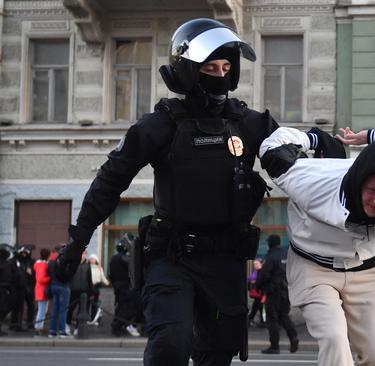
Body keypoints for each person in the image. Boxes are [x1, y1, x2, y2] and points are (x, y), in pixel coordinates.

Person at [54, 18, 278, 365]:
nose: (219, 75)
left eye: (226, 67)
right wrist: (77, 242)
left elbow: (296, 162)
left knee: (218, 352)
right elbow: (110, 180)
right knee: (170, 345)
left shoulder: (248, 123)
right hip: (173, 257)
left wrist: (335, 152)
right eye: (209, 67)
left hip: (226, 259)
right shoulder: (159, 125)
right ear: (188, 70)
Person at [259, 125, 375, 366]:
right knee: (335, 340)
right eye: (372, 191)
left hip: (368, 271)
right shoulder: (311, 181)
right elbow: (271, 147)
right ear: (358, 184)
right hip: (314, 269)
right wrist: (313, 138)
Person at [256, 235, 298, 354]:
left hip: (274, 291)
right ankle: (293, 336)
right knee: (284, 315)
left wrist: (258, 285)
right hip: (286, 290)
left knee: (272, 318)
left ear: (271, 243)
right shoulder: (286, 255)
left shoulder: (271, 256)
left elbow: (265, 274)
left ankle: (274, 346)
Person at [109, 234, 139, 337]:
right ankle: (117, 325)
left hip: (117, 286)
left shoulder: (113, 258)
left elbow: (111, 275)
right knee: (125, 308)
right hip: (124, 286)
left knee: (120, 306)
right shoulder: (124, 259)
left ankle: (118, 326)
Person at [10, 244, 35, 331]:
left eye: (26, 253)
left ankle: (29, 323)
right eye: (23, 253)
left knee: (30, 306)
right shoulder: (15, 261)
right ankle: (15, 323)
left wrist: (31, 274)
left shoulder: (31, 261)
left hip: (28, 286)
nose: (24, 255)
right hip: (18, 287)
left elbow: (34, 275)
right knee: (17, 306)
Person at [47, 245, 71, 338]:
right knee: (63, 310)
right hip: (63, 286)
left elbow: (49, 274)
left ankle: (52, 331)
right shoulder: (64, 261)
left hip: (54, 285)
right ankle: (62, 331)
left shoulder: (51, 262)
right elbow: (68, 274)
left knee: (55, 309)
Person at [33, 248, 52, 337]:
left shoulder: (39, 264)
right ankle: (38, 327)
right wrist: (50, 279)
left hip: (40, 289)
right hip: (42, 290)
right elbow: (40, 279)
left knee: (42, 310)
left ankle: (39, 326)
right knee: (42, 310)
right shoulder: (43, 265)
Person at [87, 254, 110, 325]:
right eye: (91, 259)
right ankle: (85, 319)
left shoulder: (99, 268)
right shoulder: (87, 267)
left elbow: (102, 278)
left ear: (96, 260)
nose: (92, 260)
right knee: (86, 304)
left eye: (93, 259)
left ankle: (94, 319)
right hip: (88, 287)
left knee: (95, 304)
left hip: (96, 288)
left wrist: (107, 283)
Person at [0, 244, 15, 336]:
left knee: (6, 308)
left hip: (6, 289)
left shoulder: (7, 263)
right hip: (3, 289)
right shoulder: (4, 264)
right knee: (3, 309)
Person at [247, 259, 266, 327]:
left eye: (256, 264)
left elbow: (261, 282)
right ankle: (262, 321)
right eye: (254, 264)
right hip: (259, 293)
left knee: (259, 307)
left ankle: (251, 319)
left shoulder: (262, 272)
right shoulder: (257, 272)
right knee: (258, 306)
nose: (255, 265)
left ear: (261, 264)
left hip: (262, 293)